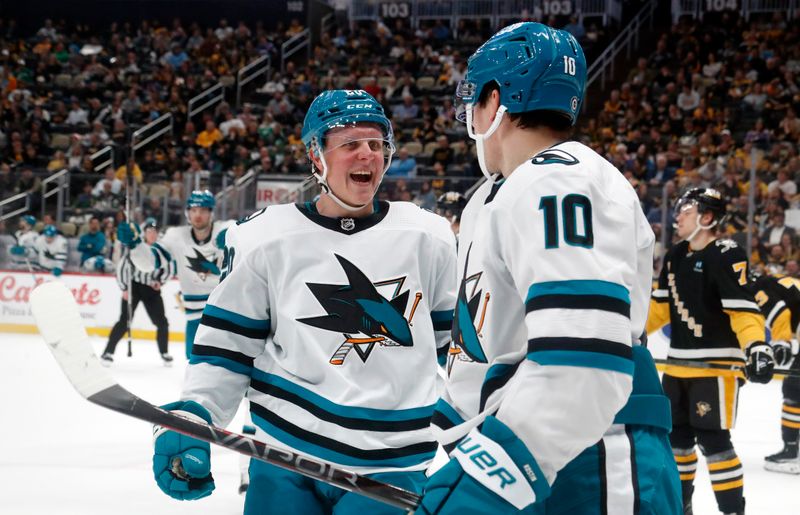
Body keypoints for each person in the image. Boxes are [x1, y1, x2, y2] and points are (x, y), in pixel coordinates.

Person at [147, 89, 457, 514]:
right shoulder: (263, 236)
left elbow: (458, 354)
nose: (368, 154)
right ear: (316, 156)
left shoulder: (430, 235)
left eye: (376, 143)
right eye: (350, 144)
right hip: (286, 459)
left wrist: (480, 447)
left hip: (393, 465)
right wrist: (197, 412)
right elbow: (228, 348)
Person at [419, 22, 680, 515]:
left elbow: (584, 362)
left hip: (593, 457)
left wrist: (491, 474)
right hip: (530, 453)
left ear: (496, 102)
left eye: (474, 101)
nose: (469, 117)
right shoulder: (496, 197)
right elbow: (483, 351)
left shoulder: (560, 182)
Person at [647, 187, 773, 514]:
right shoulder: (675, 255)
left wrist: (757, 345)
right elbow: (661, 308)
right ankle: (680, 506)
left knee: (714, 444)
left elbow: (743, 308)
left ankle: (732, 510)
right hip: (676, 369)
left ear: (707, 217)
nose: (677, 216)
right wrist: (624, 333)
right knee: (676, 445)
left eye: (685, 210)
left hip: (716, 370)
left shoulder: (727, 253)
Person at [119, 190, 233, 359]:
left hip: (227, 311)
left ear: (211, 213)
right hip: (195, 316)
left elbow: (253, 235)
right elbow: (150, 262)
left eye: (203, 210)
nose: (198, 215)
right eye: (194, 210)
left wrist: (238, 237)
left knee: (229, 365)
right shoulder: (176, 236)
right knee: (194, 362)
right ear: (188, 213)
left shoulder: (228, 228)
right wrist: (135, 245)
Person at [101, 219, 172, 366]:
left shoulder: (161, 249)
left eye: (155, 232)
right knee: (124, 321)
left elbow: (169, 268)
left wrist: (161, 281)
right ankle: (108, 351)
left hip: (151, 289)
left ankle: (164, 352)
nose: (152, 234)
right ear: (144, 233)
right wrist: (124, 288)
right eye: (149, 232)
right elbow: (122, 267)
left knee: (162, 322)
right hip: (133, 287)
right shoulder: (136, 247)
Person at [750, 272, 800, 473]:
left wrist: (782, 343)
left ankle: (791, 451)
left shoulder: (754, 289)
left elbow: (780, 314)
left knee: (794, 390)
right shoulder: (774, 280)